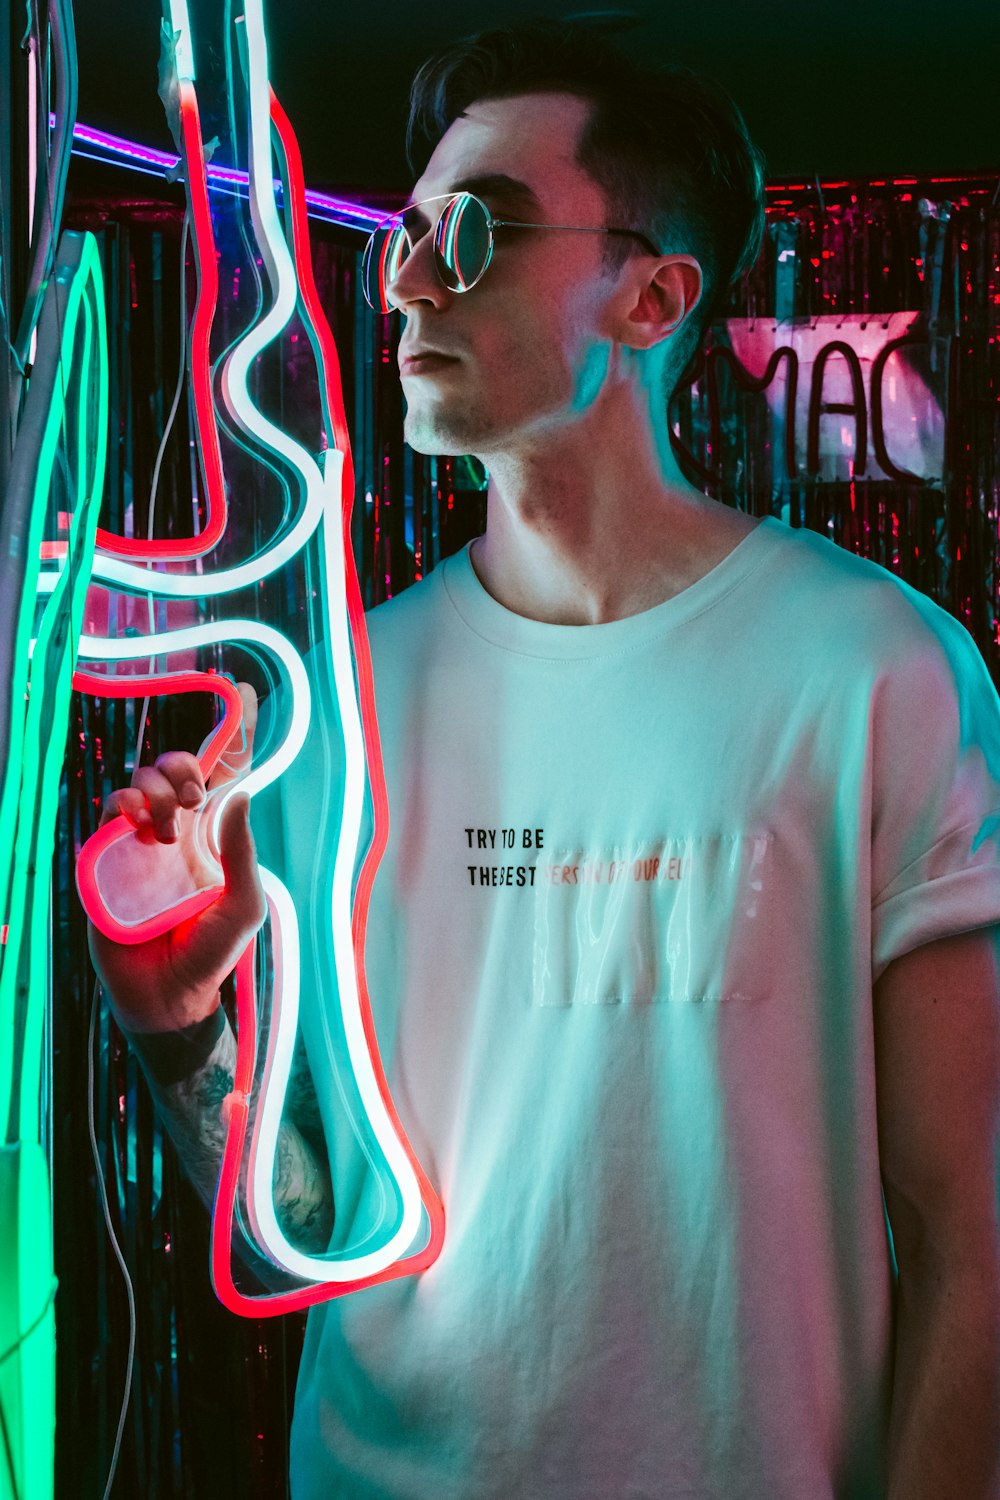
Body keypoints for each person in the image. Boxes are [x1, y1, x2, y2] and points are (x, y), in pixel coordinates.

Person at [88, 18, 1000, 1500]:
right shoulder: (338, 704)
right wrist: (182, 1031)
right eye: (402, 233)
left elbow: (979, 1248)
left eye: (474, 231)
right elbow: (303, 1231)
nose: (401, 279)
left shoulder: (871, 676)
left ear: (652, 296)